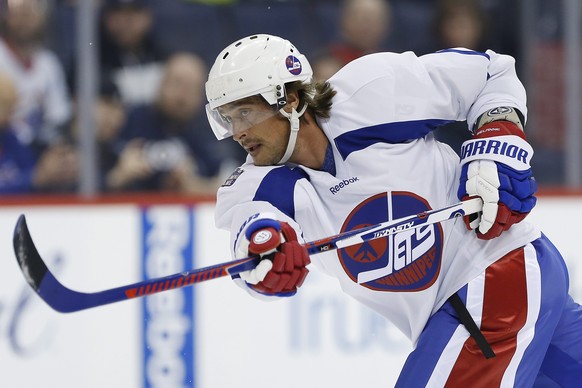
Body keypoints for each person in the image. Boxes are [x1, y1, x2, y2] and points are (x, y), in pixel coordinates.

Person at [204, 34, 582, 386]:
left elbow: (488, 72)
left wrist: (498, 133)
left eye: (245, 114)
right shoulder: (255, 186)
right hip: (487, 297)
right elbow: (252, 231)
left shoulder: (370, 93)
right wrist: (265, 254)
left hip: (497, 273)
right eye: (226, 118)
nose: (236, 131)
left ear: (288, 100)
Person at [106, 52, 242, 194]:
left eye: (191, 88)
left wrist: (196, 186)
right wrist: (119, 176)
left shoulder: (211, 130)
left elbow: (230, 177)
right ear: (161, 84)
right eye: (177, 83)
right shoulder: (131, 120)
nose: (182, 95)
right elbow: (95, 176)